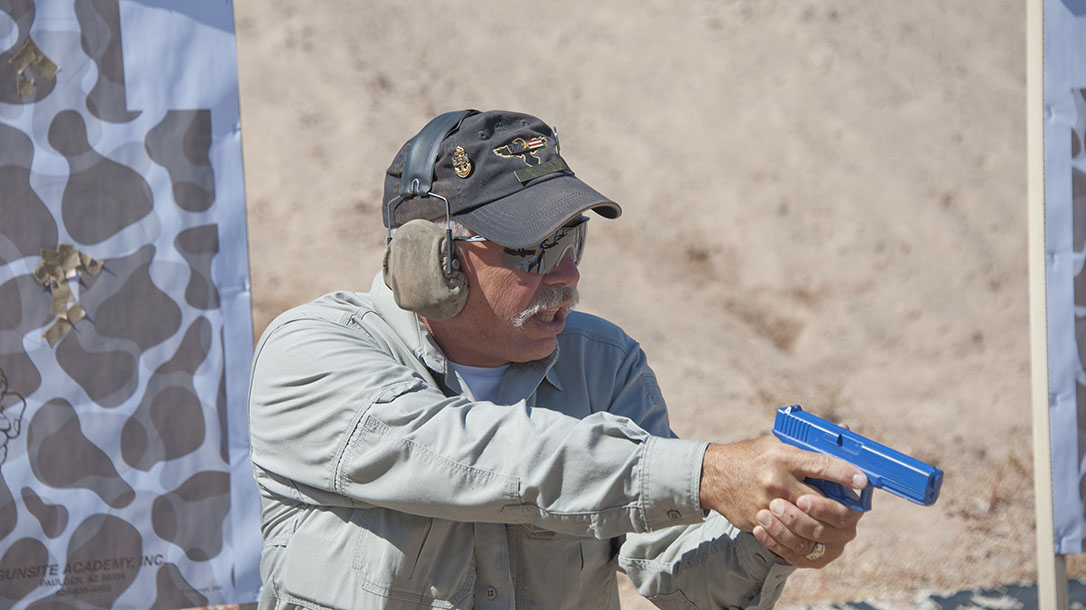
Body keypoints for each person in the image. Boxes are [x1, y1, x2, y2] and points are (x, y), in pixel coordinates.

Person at [247, 109, 867, 610]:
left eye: (573, 241)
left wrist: (775, 538)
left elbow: (678, 574)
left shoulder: (604, 363)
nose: (567, 274)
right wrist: (703, 473)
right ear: (429, 258)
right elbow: (473, 454)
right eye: (530, 253)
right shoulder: (311, 353)